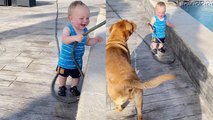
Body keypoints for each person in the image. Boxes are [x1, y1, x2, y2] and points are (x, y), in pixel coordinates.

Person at [57, 1, 102, 96]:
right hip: (65, 61)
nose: (85, 21)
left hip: (77, 62)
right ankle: (62, 87)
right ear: (71, 19)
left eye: (87, 18)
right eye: (81, 18)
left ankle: (74, 87)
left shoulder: (85, 31)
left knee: (76, 76)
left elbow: (87, 41)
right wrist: (74, 37)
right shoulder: (68, 29)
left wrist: (95, 40)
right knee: (62, 75)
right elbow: (64, 39)